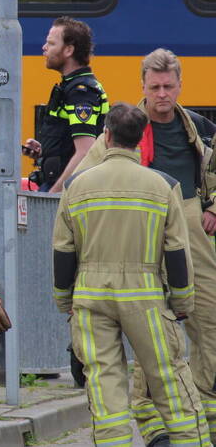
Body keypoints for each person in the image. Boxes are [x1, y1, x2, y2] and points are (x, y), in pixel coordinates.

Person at [75, 49, 216, 446]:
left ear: (180, 85)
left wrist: (212, 209)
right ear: (142, 86)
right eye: (154, 87)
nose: (162, 95)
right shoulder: (125, 128)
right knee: (152, 331)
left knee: (207, 324)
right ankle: (156, 422)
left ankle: (203, 414)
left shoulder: (200, 129)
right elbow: (85, 184)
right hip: (142, 236)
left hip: (192, 229)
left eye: (168, 86)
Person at [23, 16, 109, 192]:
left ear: (69, 50)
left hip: (63, 192)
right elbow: (70, 145)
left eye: (51, 44)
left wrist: (54, 194)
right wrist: (44, 150)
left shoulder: (81, 92)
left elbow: (85, 152)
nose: (44, 48)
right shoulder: (71, 86)